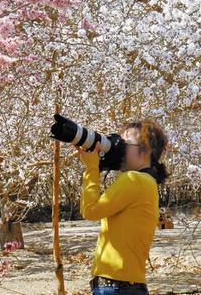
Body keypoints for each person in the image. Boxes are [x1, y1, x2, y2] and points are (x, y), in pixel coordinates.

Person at [77, 121, 168, 295]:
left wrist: (91, 167)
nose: (118, 148)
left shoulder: (134, 179)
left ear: (146, 150)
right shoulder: (147, 182)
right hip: (127, 285)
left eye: (124, 144)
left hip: (117, 285)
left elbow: (90, 210)